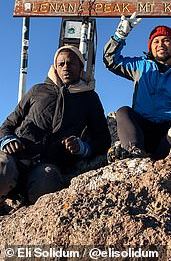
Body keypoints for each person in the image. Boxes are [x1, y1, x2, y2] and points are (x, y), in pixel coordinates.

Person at [0, 45, 111, 205]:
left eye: (71, 63)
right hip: (17, 156)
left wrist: (82, 148)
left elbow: (103, 140)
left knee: (47, 183)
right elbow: (8, 124)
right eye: (61, 64)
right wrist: (7, 139)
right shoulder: (37, 90)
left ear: (81, 67)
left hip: (49, 163)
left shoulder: (89, 98)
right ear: (55, 67)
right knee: (2, 167)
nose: (66, 67)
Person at [103, 13, 171, 160]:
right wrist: (120, 35)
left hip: (170, 131)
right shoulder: (141, 66)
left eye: (166, 40)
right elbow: (111, 61)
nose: (160, 45)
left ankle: (161, 160)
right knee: (124, 111)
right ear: (150, 47)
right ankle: (133, 153)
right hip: (142, 130)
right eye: (156, 41)